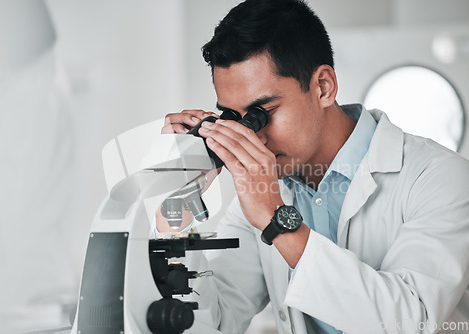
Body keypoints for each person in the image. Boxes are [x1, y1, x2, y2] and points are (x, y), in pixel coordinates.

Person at [160, 0, 469, 332]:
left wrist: (277, 220)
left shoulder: (441, 177)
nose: (252, 136)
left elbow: (411, 322)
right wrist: (175, 203)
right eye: (234, 118)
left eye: (262, 112)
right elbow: (212, 320)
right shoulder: (263, 195)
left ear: (323, 86)